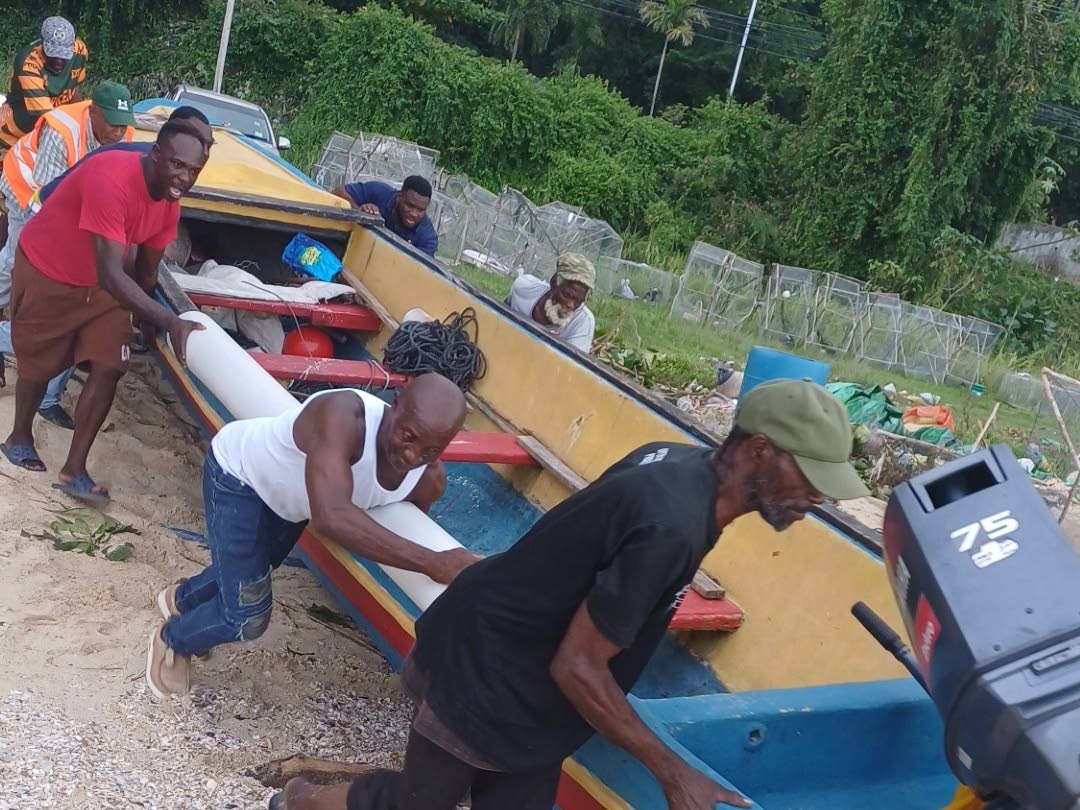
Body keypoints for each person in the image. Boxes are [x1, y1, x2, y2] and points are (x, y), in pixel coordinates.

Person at [269, 379, 870, 810]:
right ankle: (299, 801)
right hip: (488, 673)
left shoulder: (677, 461)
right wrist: (672, 772)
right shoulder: (674, 527)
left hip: (529, 689)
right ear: (760, 452)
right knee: (416, 803)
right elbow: (578, 665)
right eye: (812, 478)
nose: (819, 497)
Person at [145, 375, 482, 699]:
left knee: (256, 568)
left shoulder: (429, 480)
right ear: (394, 403)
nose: (412, 456)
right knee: (247, 616)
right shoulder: (343, 415)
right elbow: (331, 517)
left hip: (291, 502)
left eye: (430, 451)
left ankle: (182, 600)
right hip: (239, 476)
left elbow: (401, 525)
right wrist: (434, 563)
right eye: (408, 436)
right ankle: (172, 640)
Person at [0, 119, 211, 503]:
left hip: (102, 286)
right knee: (38, 361)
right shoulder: (110, 177)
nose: (184, 178)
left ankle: (74, 468)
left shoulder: (169, 206)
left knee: (111, 364)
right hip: (52, 266)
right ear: (157, 154)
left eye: (194, 171)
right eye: (177, 165)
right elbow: (113, 273)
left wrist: (145, 320)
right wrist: (170, 320)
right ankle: (19, 435)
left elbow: (145, 270)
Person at [0, 80, 137, 429]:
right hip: (29, 190)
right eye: (112, 124)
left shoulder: (124, 133)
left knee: (76, 302)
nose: (119, 132)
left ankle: (48, 400)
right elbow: (44, 199)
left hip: (80, 209)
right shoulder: (62, 130)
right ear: (92, 113)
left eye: (123, 124)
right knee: (17, 265)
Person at [36, 106, 213, 208]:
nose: (203, 151)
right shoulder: (139, 160)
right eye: (196, 140)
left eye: (208, 144)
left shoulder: (175, 175)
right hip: (48, 208)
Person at [0, 17, 89, 152]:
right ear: (42, 43)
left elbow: (73, 90)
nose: (58, 61)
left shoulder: (80, 51)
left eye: (64, 55)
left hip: (44, 133)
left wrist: (81, 126)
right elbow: (47, 119)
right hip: (13, 135)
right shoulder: (29, 64)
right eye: (52, 54)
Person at [506, 254, 596, 352]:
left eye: (579, 301)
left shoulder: (582, 321)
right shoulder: (524, 288)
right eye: (567, 295)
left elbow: (570, 364)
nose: (571, 305)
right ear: (554, 283)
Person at [332, 175, 438, 257]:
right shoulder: (379, 192)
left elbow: (422, 272)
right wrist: (360, 212)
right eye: (410, 205)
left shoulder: (428, 238)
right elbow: (337, 193)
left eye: (420, 210)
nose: (414, 213)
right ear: (399, 195)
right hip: (349, 250)